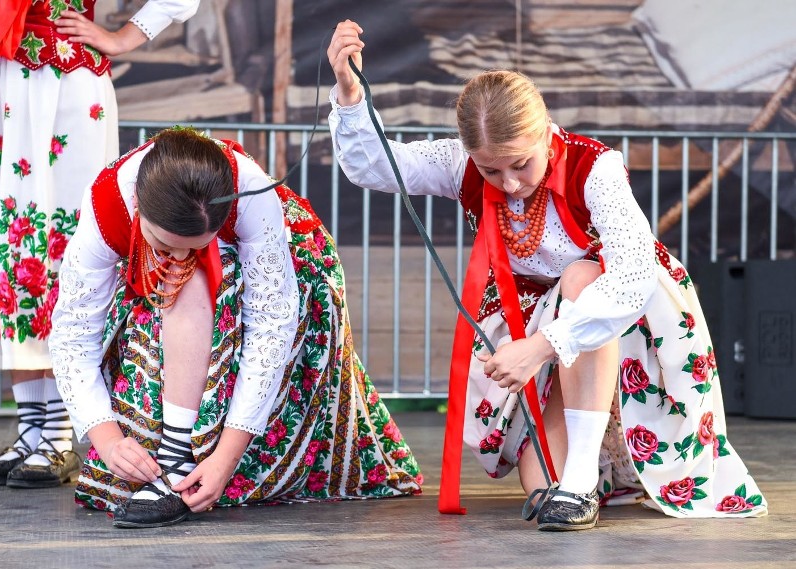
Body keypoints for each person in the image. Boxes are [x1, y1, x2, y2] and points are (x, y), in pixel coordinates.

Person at [327, 19, 767, 531]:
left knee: (583, 277)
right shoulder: (461, 164)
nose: (509, 183)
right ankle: (586, 475)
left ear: (544, 132)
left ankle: (582, 482)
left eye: (520, 163)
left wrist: (539, 348)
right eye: (491, 171)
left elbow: (629, 278)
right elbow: (376, 166)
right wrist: (350, 91)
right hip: (541, 319)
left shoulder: (594, 168)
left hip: (630, 318)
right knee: (539, 486)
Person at [48, 127, 422, 528]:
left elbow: (271, 324)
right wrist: (106, 438)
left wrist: (226, 457)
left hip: (287, 276)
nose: (179, 256)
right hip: (168, 292)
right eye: (164, 242)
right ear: (138, 202)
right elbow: (73, 333)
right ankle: (176, 451)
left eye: (194, 244)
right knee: (120, 472)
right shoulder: (106, 203)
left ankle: (176, 461)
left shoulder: (253, 193)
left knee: (186, 275)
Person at [0, 0, 200, 488]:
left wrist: (127, 35)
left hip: (61, 84)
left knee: (57, 251)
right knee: (9, 251)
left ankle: (60, 431)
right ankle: (31, 429)